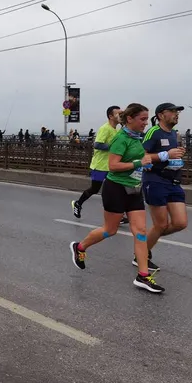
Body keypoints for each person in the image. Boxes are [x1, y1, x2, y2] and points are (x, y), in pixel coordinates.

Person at [69, 103, 165, 293]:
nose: (146, 123)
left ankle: (143, 276)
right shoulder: (121, 138)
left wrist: (154, 160)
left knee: (140, 231)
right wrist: (138, 162)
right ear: (130, 119)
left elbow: (139, 158)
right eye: (142, 119)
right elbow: (113, 166)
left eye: (147, 119)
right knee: (109, 230)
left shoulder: (136, 137)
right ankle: (80, 247)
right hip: (115, 188)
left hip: (134, 188)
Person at [141, 103, 187, 271]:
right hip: (155, 180)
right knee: (160, 224)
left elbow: (171, 155)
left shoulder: (174, 134)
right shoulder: (153, 132)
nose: (177, 114)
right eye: (173, 111)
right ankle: (141, 254)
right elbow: (141, 155)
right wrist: (166, 155)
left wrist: (177, 157)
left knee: (180, 223)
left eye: (178, 112)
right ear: (161, 115)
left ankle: (143, 245)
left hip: (173, 181)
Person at [72, 106, 128, 224]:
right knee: (94, 189)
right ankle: (78, 203)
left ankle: (119, 215)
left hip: (111, 166)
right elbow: (97, 145)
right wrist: (113, 148)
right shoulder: (105, 128)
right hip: (100, 165)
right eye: (118, 114)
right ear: (111, 116)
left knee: (116, 189)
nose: (121, 115)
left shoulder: (117, 130)